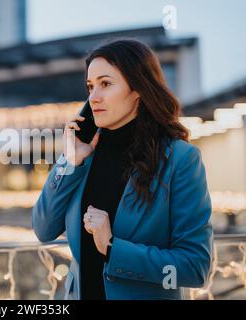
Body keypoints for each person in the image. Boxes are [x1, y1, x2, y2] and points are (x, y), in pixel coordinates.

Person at [32, 39, 213, 300]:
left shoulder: (180, 160)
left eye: (105, 84)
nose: (93, 98)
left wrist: (113, 248)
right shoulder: (83, 155)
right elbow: (43, 229)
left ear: (138, 88)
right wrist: (70, 162)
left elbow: (195, 268)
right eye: (90, 87)